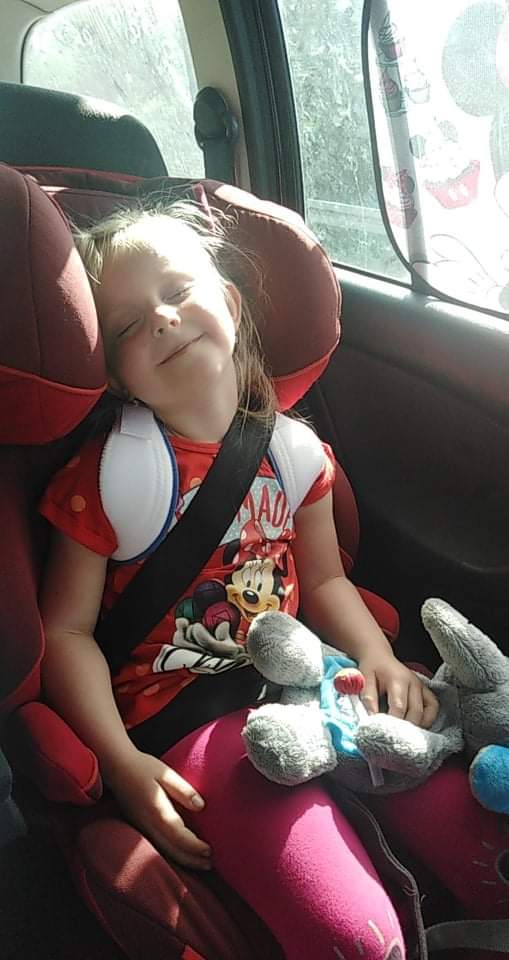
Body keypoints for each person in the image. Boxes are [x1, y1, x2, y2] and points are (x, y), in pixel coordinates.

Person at [38, 202, 508, 960]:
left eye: (177, 291)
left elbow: (324, 585)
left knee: (488, 854)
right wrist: (121, 762)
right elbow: (65, 631)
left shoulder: (294, 455)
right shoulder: (108, 478)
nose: (161, 320)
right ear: (116, 374)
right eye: (126, 326)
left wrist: (377, 657)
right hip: (185, 717)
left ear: (229, 302)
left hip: (311, 684)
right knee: (355, 937)